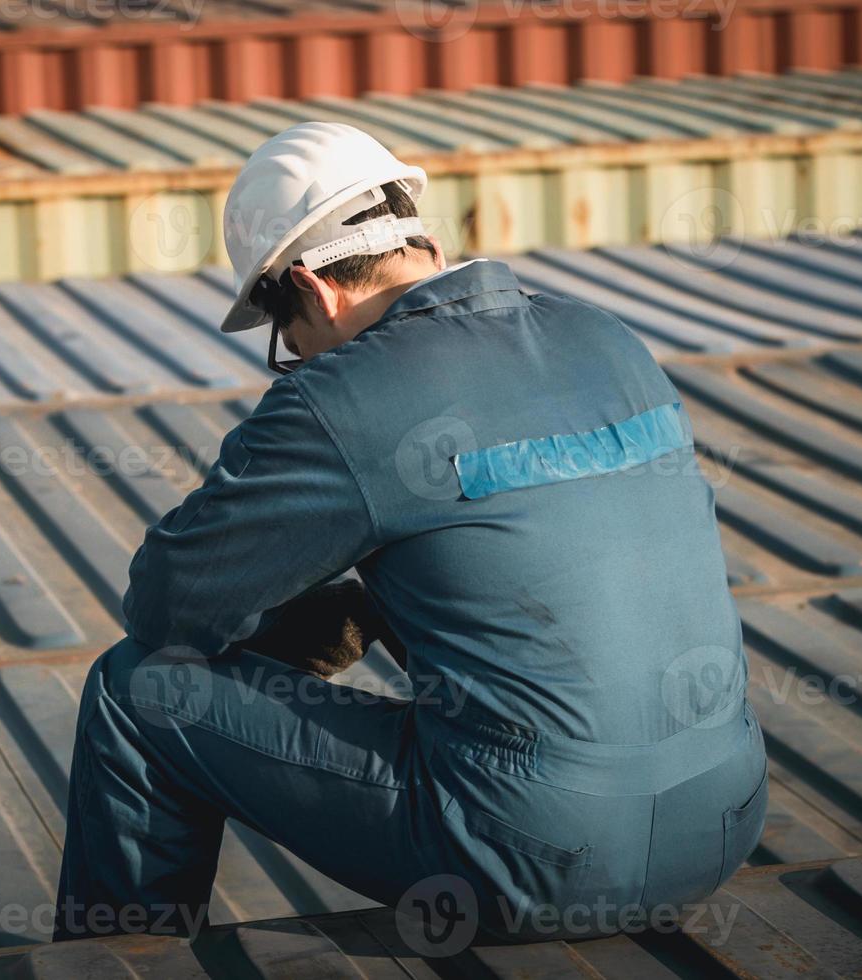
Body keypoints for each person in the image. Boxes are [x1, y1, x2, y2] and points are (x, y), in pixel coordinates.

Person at [54, 122, 767, 945]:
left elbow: (166, 607)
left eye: (288, 341)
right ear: (422, 242)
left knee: (134, 688)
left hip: (536, 855)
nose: (299, 358)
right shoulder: (606, 336)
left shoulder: (339, 397)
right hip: (724, 818)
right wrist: (366, 606)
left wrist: (286, 624)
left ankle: (118, 963)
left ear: (310, 291)